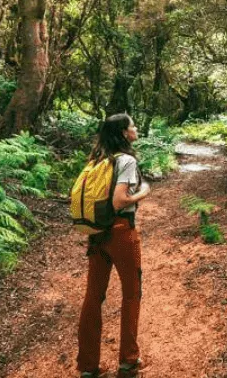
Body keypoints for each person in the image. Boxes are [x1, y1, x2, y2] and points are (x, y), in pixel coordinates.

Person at [76, 113, 151, 378]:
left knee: (93, 297)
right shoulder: (126, 161)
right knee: (132, 294)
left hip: (97, 234)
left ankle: (87, 367)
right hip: (121, 233)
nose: (136, 127)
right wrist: (143, 192)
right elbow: (120, 201)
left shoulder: (97, 160)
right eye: (132, 125)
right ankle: (128, 362)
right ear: (123, 133)